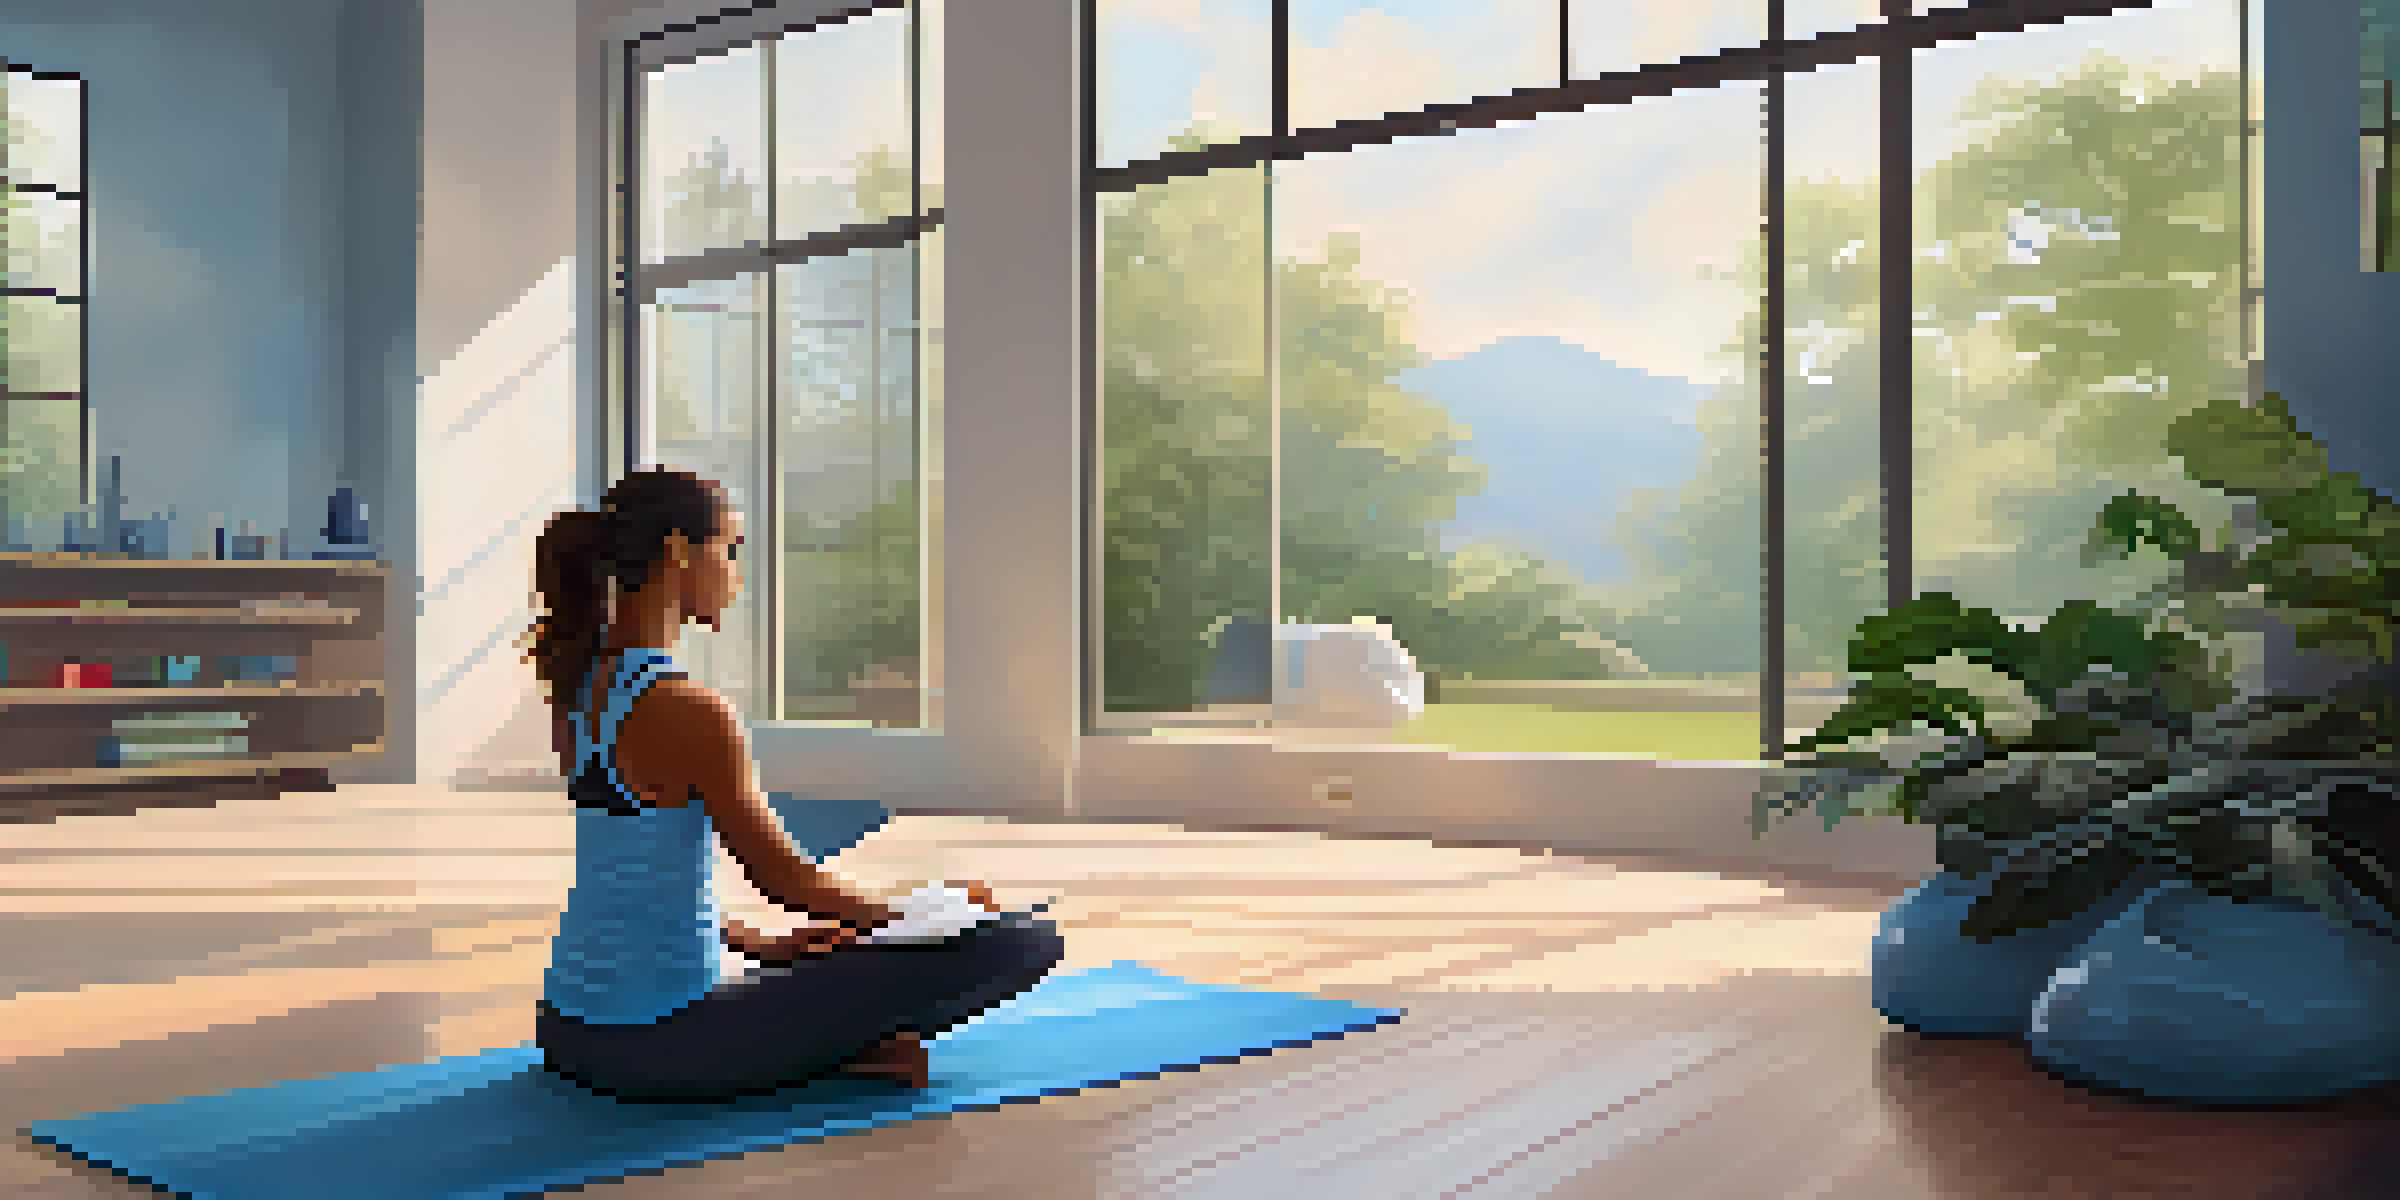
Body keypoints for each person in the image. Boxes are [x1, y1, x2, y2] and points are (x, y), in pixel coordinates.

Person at [524, 467, 1065, 1101]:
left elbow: (630, 875)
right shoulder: (689, 709)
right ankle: (838, 1053)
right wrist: (920, 919)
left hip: (566, 1029)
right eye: (728, 549)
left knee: (907, 934)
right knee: (1019, 942)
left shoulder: (577, 692)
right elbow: (788, 882)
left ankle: (835, 1044)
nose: (735, 572)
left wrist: (762, 944)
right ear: (678, 552)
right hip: (655, 1049)